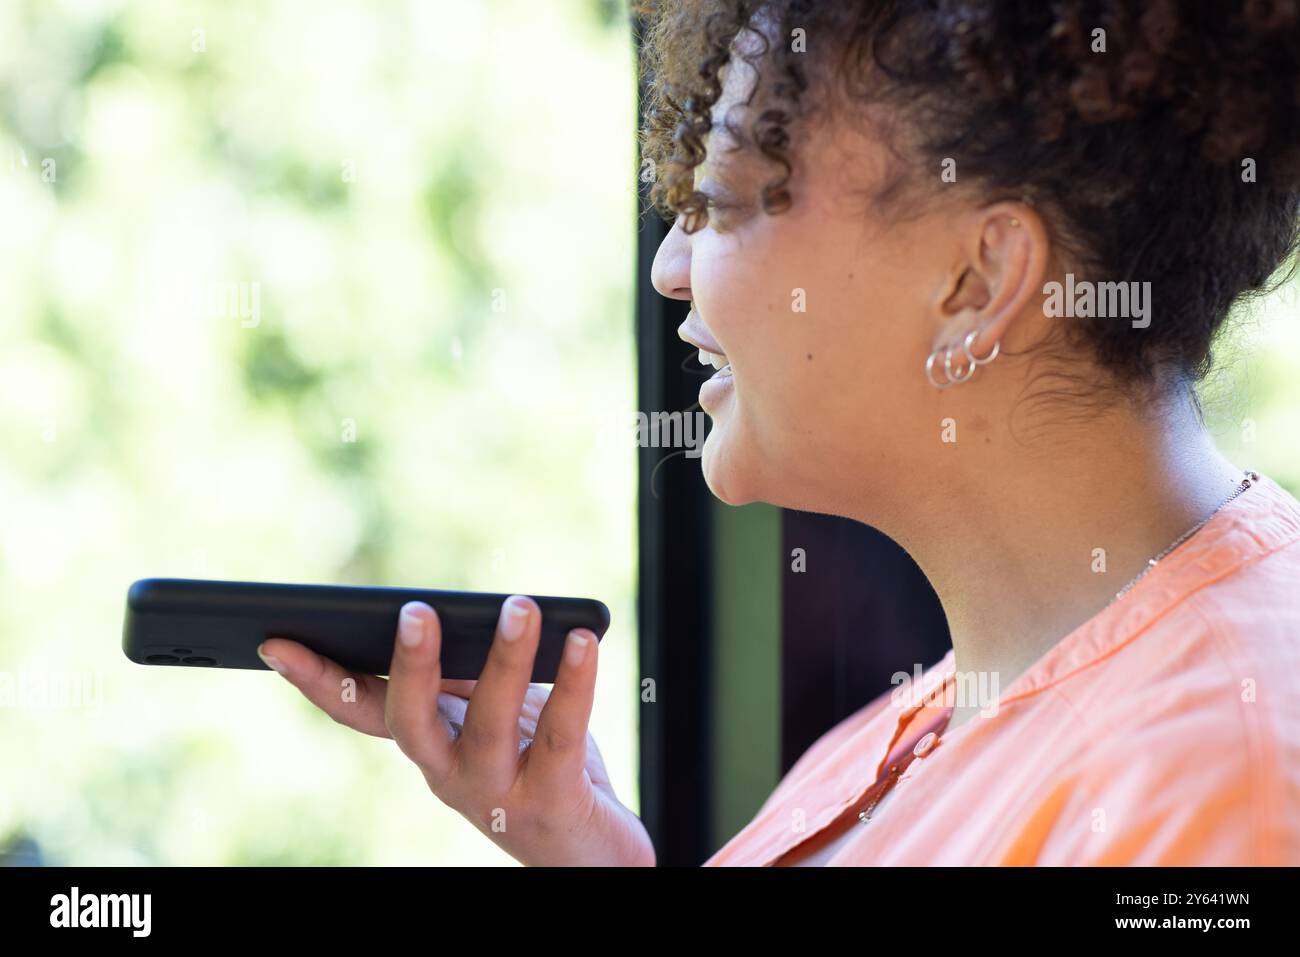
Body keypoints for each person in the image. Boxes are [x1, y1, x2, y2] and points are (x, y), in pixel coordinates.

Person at [260, 0, 1300, 865]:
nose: (671, 268)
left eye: (717, 204)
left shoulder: (1227, 784)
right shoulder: (914, 737)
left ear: (975, 282)